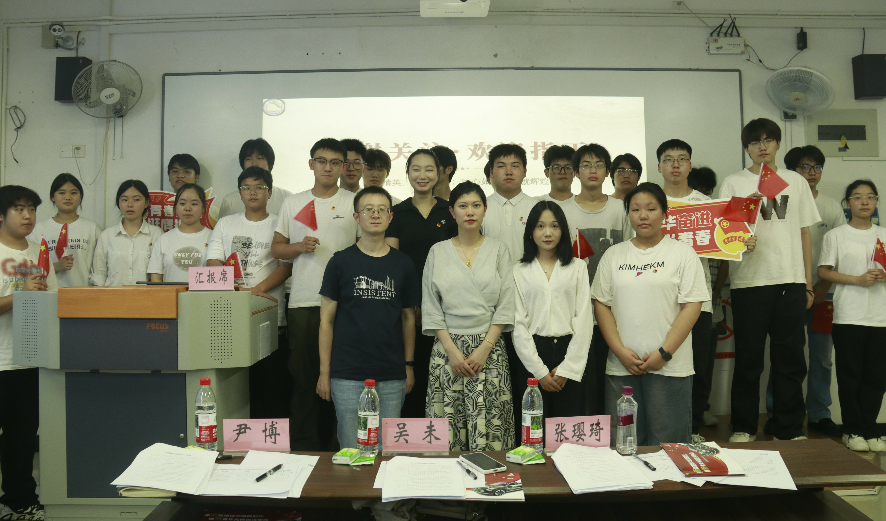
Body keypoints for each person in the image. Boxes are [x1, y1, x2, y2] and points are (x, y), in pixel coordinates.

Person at [720, 118, 821, 442]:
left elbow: (804, 233)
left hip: (789, 280)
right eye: (754, 142)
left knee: (790, 358)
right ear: (746, 147)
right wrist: (742, 223)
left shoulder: (795, 181)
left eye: (767, 140)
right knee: (749, 358)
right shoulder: (733, 183)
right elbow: (725, 236)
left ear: (777, 143)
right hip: (749, 282)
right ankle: (743, 426)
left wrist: (807, 283)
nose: (761, 146)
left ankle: (788, 427)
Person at [591, 183, 708, 446]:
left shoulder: (683, 253)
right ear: (628, 215)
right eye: (635, 209)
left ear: (665, 213)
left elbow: (692, 306)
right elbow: (601, 305)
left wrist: (664, 353)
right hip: (621, 366)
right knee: (624, 443)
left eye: (651, 209)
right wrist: (620, 351)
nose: (643, 215)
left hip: (670, 367)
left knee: (668, 446)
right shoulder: (613, 255)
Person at [272, 138, 359, 451]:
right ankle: (305, 446)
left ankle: (343, 444)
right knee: (304, 377)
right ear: (311, 164)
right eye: (321, 161)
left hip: (348, 303)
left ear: (343, 167)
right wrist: (297, 247)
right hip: (304, 301)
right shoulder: (293, 202)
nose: (328, 167)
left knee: (345, 379)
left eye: (335, 162)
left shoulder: (355, 202)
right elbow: (277, 248)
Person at [317, 186, 421, 449]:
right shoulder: (340, 262)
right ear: (356, 217)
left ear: (390, 217)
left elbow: (409, 319)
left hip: (392, 374)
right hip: (347, 373)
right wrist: (324, 372)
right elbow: (326, 321)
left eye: (382, 210)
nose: (375, 215)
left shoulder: (403, 264)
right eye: (368, 210)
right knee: (352, 449)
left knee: (388, 451)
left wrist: (408, 366)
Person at [422, 181, 516, 451]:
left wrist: (484, 349)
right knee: (447, 430)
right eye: (463, 206)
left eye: (476, 205)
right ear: (452, 211)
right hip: (447, 351)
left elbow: (506, 304)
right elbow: (431, 306)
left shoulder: (499, 250)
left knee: (490, 428)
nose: (470, 211)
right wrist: (452, 352)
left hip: (489, 351)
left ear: (485, 209)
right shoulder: (437, 251)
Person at [763, 145, 845, 438]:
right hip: (789, 292)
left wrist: (823, 286)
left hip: (824, 294)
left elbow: (842, 250)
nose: (812, 173)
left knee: (822, 357)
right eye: (805, 167)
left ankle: (820, 413)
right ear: (791, 172)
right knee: (784, 354)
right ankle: (777, 411)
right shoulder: (777, 202)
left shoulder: (831, 207)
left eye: (817, 167)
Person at [207, 166, 293, 419]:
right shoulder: (225, 223)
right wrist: (233, 289)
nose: (252, 192)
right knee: (233, 387)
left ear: (270, 192)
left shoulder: (280, 224)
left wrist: (256, 290)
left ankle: (269, 437)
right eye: (246, 187)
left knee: (271, 385)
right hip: (230, 315)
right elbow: (213, 261)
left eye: (259, 187)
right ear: (240, 193)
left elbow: (285, 267)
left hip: (270, 315)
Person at [385, 149, 457, 418]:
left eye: (429, 169)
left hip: (447, 308)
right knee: (409, 374)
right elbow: (393, 265)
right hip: (408, 309)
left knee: (442, 376)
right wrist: (411, 304)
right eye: (416, 169)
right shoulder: (397, 213)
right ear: (407, 173)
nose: (422, 175)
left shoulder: (450, 211)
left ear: (439, 173)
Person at [0, 185, 58, 521]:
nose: (27, 216)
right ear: (2, 215)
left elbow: (51, 302)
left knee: (21, 439)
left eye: (32, 209)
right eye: (19, 209)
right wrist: (20, 294)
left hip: (29, 360)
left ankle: (19, 500)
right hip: (0, 358)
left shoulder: (39, 252)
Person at [562, 143, 633, 415]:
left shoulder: (622, 209)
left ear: (607, 172)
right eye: (586, 165)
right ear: (575, 172)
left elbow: (631, 252)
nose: (592, 170)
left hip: (615, 309)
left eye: (599, 165)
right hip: (574, 310)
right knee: (580, 381)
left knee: (612, 379)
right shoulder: (562, 210)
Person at [818, 180, 886, 452]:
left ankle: (870, 429)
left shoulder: (884, 234)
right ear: (847, 203)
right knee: (850, 376)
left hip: (881, 316)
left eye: (870, 197)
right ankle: (853, 430)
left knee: (877, 377)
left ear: (876, 201)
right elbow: (824, 271)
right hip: (848, 316)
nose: (864, 202)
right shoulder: (836, 235)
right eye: (857, 197)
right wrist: (857, 280)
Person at [656, 139, 716, 442]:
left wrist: (741, 242)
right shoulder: (650, 201)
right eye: (669, 159)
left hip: (697, 299)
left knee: (699, 367)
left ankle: (692, 430)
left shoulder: (706, 205)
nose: (675, 164)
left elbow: (725, 243)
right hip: (657, 300)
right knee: (662, 366)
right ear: (659, 167)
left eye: (681, 159)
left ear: (690, 165)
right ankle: (664, 429)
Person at [513, 200, 592, 418]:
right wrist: (539, 371)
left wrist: (568, 369)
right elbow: (519, 324)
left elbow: (584, 320)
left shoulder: (577, 267)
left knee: (567, 426)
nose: (547, 233)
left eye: (554, 226)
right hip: (532, 352)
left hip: (570, 351)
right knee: (533, 426)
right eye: (540, 226)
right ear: (530, 231)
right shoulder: (519, 270)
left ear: (563, 230)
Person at [29, 173, 101, 287]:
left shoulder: (92, 228)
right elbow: (28, 267)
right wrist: (55, 266)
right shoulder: (39, 229)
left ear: (81, 196)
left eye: (73, 193)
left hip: (83, 293)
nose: (68, 197)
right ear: (53, 197)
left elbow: (100, 269)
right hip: (48, 293)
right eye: (62, 193)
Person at [91, 180, 163, 286]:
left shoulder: (156, 234)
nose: (130, 205)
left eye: (136, 200)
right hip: (113, 295)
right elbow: (99, 275)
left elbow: (159, 275)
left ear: (146, 203)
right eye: (124, 200)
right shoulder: (107, 236)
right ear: (118, 203)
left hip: (145, 296)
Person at [148, 184, 212, 283]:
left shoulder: (214, 238)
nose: (188, 208)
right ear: (176, 207)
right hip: (171, 293)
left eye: (194, 204)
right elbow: (156, 277)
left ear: (203, 207)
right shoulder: (164, 239)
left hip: (205, 293)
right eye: (182, 203)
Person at [217, 138, 294, 219]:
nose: (254, 164)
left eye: (260, 158)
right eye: (248, 159)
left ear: (270, 163)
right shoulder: (230, 201)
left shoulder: (286, 198)